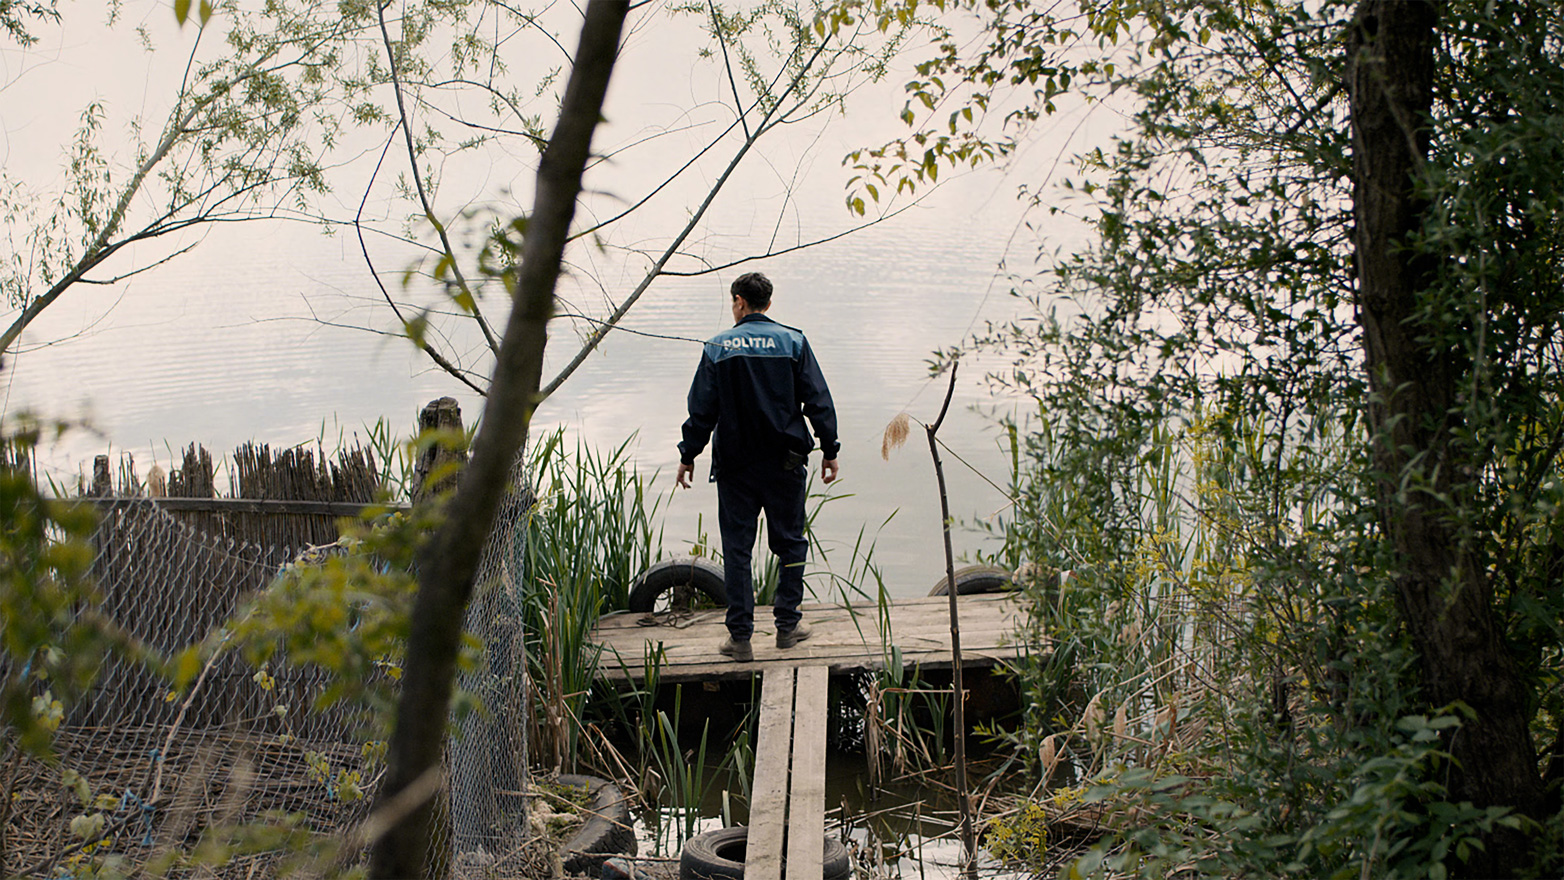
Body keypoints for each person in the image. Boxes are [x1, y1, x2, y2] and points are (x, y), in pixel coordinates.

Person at [676, 272, 840, 662]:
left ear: (739, 302)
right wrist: (830, 449)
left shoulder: (717, 347)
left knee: (738, 551)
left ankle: (741, 638)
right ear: (768, 302)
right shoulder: (794, 341)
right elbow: (818, 401)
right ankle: (787, 627)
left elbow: (702, 409)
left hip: (736, 466)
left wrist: (688, 454)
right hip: (786, 464)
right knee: (791, 543)